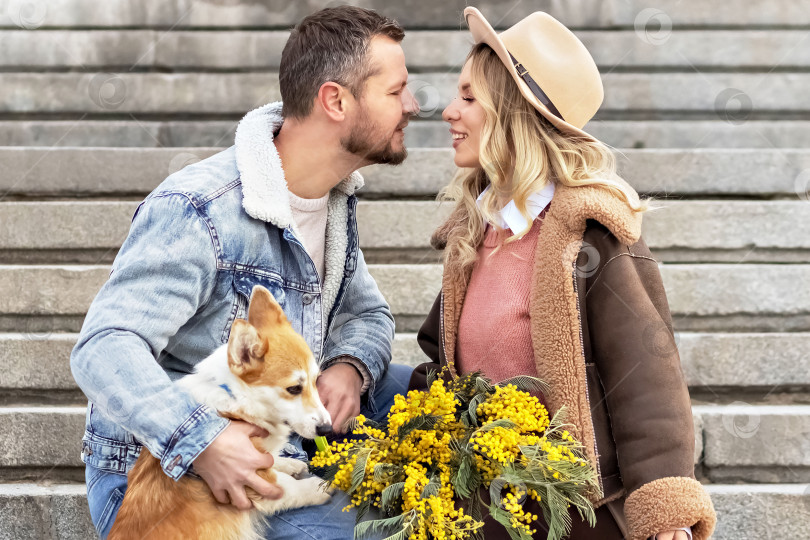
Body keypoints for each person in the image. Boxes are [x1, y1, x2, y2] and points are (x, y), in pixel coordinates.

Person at [70, 6, 417, 539]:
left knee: (422, 395)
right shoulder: (200, 209)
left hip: (277, 439)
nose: (414, 106)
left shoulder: (330, 198)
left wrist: (348, 365)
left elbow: (366, 312)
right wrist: (203, 442)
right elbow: (104, 346)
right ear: (336, 100)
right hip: (161, 482)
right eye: (396, 92)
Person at [409, 7, 717, 540]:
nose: (448, 112)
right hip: (487, 508)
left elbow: (647, 377)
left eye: (467, 97)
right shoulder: (477, 230)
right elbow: (442, 358)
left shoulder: (589, 231)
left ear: (510, 112)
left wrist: (666, 517)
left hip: (578, 513)